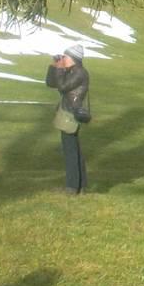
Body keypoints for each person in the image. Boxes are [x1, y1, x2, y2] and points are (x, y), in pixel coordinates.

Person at [45, 45, 90, 194]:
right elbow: (51, 83)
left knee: (70, 151)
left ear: (73, 59)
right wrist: (54, 67)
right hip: (69, 112)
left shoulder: (79, 73)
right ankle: (81, 186)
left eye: (65, 57)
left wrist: (59, 69)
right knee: (74, 150)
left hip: (71, 114)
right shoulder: (73, 71)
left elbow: (63, 87)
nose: (63, 59)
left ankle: (72, 187)